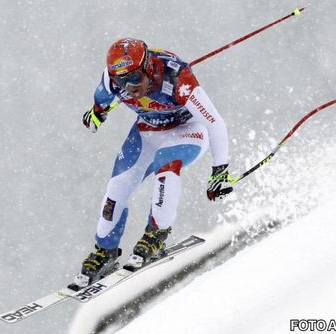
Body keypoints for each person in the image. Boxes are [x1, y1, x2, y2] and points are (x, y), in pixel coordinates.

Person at [73, 37, 233, 287]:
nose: (130, 88)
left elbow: (215, 122)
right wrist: (95, 114)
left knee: (165, 166)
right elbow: (99, 105)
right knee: (118, 187)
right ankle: (105, 251)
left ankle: (156, 234)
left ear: (148, 67)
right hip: (147, 132)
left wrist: (219, 171)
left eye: (134, 79)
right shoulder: (111, 82)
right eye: (121, 81)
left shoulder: (177, 79)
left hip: (187, 129)